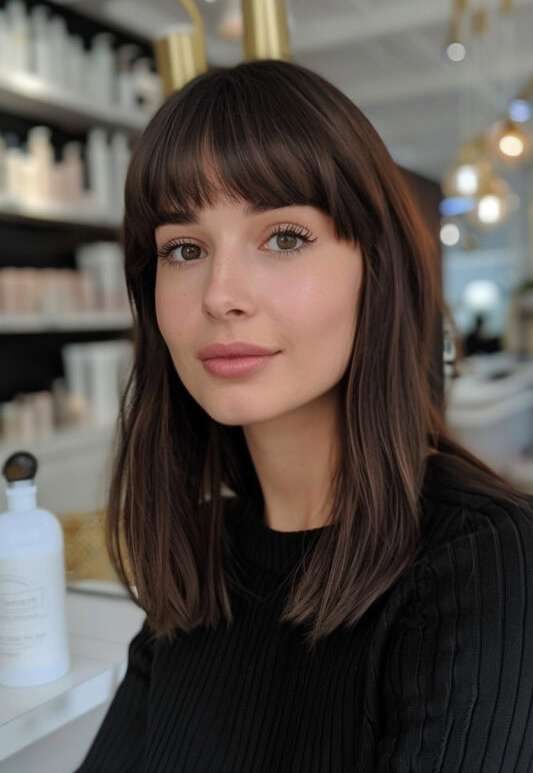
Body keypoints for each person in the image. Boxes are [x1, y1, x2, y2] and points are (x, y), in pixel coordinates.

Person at [73, 59, 533, 772]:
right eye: (184, 249)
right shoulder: (203, 556)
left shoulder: (484, 562)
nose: (220, 295)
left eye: (283, 237)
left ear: (374, 271)